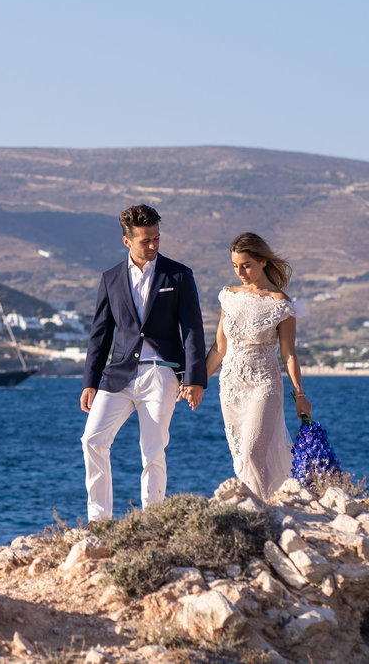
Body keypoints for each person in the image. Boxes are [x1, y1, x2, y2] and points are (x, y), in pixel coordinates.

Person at [80, 204, 207, 522]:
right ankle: (99, 522)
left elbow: (192, 329)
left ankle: (153, 520)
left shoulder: (178, 275)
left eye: (156, 238)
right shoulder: (110, 278)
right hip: (118, 375)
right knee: (92, 440)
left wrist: (194, 379)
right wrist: (90, 382)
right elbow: (100, 334)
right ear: (127, 242)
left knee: (152, 449)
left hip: (161, 372)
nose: (153, 245)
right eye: (145, 240)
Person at [207, 231, 309, 501]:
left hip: (264, 385)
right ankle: (261, 508)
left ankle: (263, 512)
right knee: (242, 457)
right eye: (235, 266)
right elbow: (219, 348)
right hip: (230, 387)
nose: (240, 271)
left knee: (253, 452)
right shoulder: (228, 297)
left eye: (246, 265)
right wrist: (196, 382)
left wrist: (300, 395)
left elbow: (288, 354)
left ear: (263, 261)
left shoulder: (281, 304)